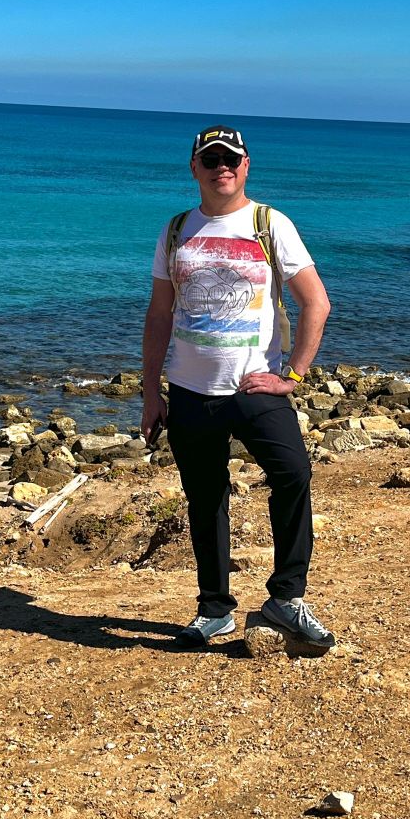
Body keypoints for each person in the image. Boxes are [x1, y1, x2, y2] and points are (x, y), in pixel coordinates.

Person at [141, 124, 334, 650]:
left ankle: (286, 600)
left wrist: (292, 376)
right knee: (205, 499)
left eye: (231, 159)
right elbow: (159, 315)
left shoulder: (270, 224)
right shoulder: (176, 230)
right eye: (211, 159)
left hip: (255, 390)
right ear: (195, 168)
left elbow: (316, 302)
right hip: (188, 391)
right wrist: (151, 392)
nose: (221, 167)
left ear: (246, 166)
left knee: (293, 474)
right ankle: (214, 609)